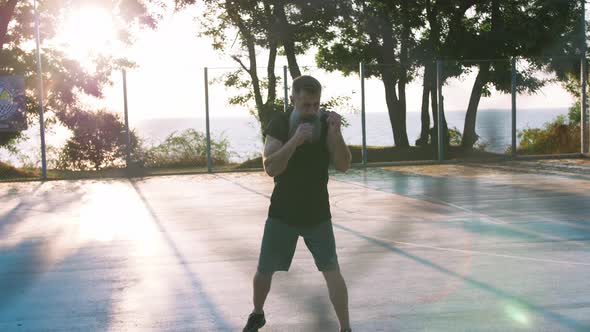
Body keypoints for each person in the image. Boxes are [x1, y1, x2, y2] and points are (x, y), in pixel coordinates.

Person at [243, 75, 353, 332]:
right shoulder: (280, 123)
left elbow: (344, 165)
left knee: (332, 271)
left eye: (316, 105)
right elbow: (270, 167)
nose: (312, 110)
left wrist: (336, 135)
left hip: (318, 213)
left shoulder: (325, 124)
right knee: (264, 271)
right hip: (282, 212)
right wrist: (295, 141)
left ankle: (346, 328)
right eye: (306, 105)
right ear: (292, 100)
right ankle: (257, 313)